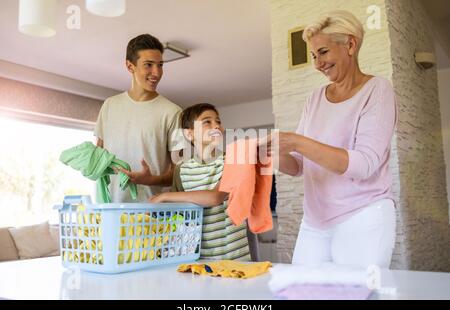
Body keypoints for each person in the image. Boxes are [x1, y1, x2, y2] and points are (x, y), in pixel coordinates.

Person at [260, 10, 398, 269]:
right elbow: (298, 165)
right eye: (313, 55)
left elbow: (364, 164)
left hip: (363, 218)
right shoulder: (315, 98)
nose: (317, 63)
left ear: (350, 44)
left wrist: (297, 141)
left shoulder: (377, 90)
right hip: (314, 223)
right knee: (303, 292)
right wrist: (272, 152)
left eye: (323, 52)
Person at [149, 103, 252, 261]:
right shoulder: (181, 170)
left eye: (218, 121)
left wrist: (164, 196)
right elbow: (179, 215)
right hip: (197, 257)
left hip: (233, 257)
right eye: (207, 122)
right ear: (189, 134)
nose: (216, 126)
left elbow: (216, 197)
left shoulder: (234, 160)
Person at [94, 34, 184, 202]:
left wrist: (150, 180)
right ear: (130, 66)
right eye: (148, 65)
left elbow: (179, 175)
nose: (156, 72)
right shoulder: (109, 106)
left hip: (154, 216)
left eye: (160, 65)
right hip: (112, 211)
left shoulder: (173, 112)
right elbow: (98, 157)